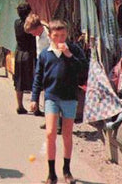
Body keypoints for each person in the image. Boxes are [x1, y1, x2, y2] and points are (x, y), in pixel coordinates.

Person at [30, 19, 88, 184]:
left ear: (67, 34)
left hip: (69, 97)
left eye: (63, 35)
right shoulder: (45, 54)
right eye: (56, 36)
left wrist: (69, 56)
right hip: (51, 97)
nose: (60, 39)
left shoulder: (74, 49)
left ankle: (66, 170)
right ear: (50, 36)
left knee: (67, 134)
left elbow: (84, 69)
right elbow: (38, 77)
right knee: (50, 133)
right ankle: (51, 173)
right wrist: (34, 98)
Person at [24, 13, 49, 122]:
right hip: (40, 60)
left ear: (38, 28)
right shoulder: (38, 33)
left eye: (33, 32)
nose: (33, 35)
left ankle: (55, 121)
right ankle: (48, 119)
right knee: (41, 87)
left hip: (49, 63)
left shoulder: (49, 36)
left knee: (49, 92)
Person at [13, 2, 37, 115]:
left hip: (19, 53)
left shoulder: (16, 23)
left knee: (19, 80)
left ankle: (20, 105)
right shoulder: (30, 25)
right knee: (34, 80)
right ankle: (36, 107)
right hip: (29, 53)